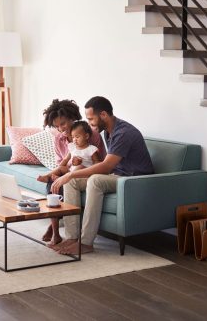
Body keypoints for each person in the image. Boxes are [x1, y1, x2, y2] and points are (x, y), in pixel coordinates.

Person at [50, 96, 154, 255]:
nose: (89, 123)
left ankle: (85, 243)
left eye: (91, 119)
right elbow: (108, 166)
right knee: (71, 182)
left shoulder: (123, 133)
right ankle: (72, 237)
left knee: (95, 180)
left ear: (103, 115)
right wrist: (70, 176)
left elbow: (105, 166)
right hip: (118, 176)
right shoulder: (108, 132)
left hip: (134, 180)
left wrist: (69, 175)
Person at [38, 99, 106, 245]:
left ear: (72, 118)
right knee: (52, 183)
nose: (61, 129)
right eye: (56, 126)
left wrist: (75, 166)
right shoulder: (59, 138)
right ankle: (56, 233)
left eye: (63, 124)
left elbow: (100, 162)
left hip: (86, 172)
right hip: (68, 171)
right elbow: (61, 163)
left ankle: (53, 227)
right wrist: (59, 172)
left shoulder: (91, 134)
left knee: (65, 181)